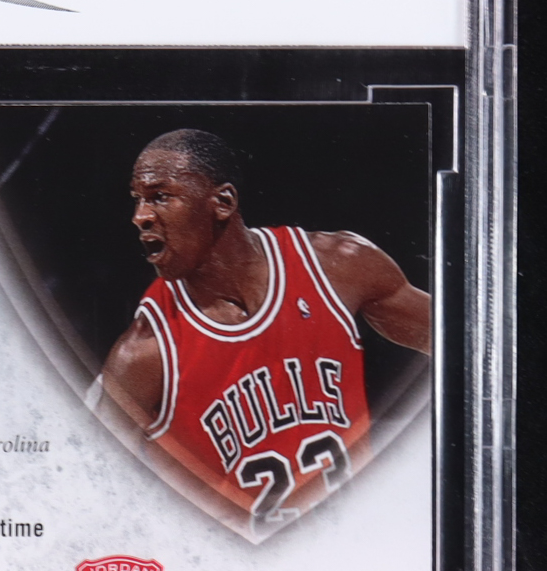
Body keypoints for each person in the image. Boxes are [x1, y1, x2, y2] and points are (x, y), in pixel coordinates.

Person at [102, 129, 430, 531]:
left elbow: (468, 347)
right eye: (137, 199)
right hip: (243, 563)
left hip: (356, 548)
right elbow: (85, 485)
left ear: (223, 203)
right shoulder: (145, 351)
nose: (140, 216)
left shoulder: (337, 267)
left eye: (160, 196)